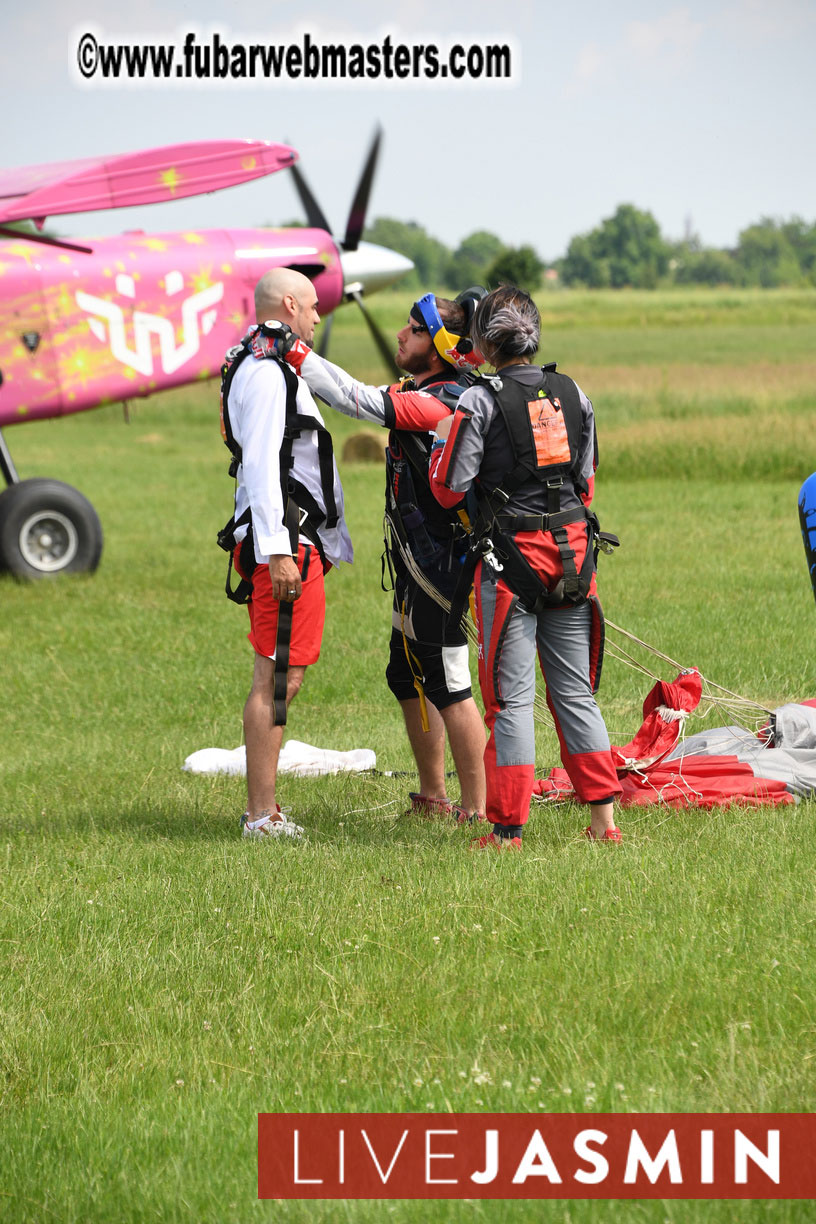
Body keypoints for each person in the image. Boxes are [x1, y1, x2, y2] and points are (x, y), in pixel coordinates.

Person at [269, 291, 487, 822]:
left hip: (445, 564)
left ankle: (481, 811)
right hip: (418, 560)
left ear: (436, 348)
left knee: (450, 681)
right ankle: (434, 796)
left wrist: (290, 348)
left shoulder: (444, 400)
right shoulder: (425, 388)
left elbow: (357, 400)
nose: (399, 335)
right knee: (406, 672)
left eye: (412, 330)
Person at [428, 285, 623, 849]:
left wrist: (443, 441)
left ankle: (508, 828)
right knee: (575, 693)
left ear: (486, 344)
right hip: (575, 561)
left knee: (510, 700)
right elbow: (585, 478)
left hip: (512, 567)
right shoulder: (572, 392)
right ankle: (603, 824)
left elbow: (447, 490)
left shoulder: (478, 402)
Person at [217, 269, 353, 839]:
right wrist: (279, 551)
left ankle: (263, 810)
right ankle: (260, 816)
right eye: (315, 307)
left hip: (286, 537)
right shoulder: (269, 373)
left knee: (281, 672)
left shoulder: (259, 360)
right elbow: (264, 463)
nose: (319, 318)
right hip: (286, 540)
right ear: (290, 305)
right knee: (279, 678)